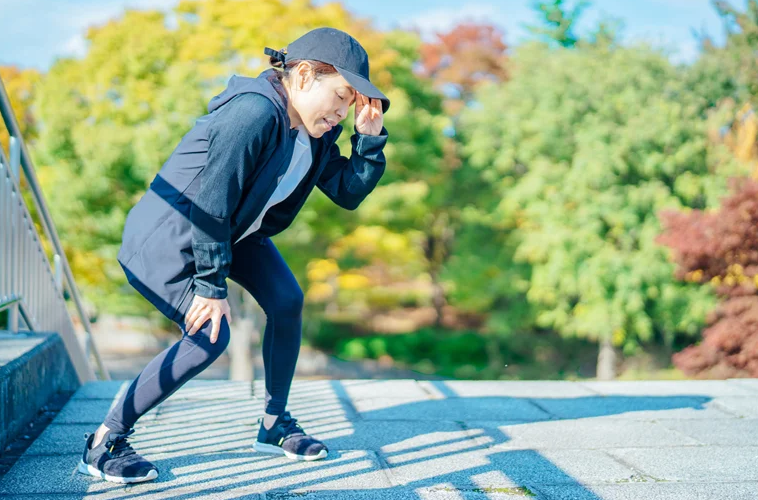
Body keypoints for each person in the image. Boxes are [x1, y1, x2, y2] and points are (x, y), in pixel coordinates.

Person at [77, 26, 390, 484]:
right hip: (168, 239)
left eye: (351, 103)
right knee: (210, 334)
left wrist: (369, 140)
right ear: (304, 76)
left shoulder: (317, 134)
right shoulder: (253, 113)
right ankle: (103, 442)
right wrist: (211, 286)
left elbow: (347, 192)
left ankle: (274, 424)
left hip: (231, 233)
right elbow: (211, 201)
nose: (344, 111)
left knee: (286, 300)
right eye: (342, 96)